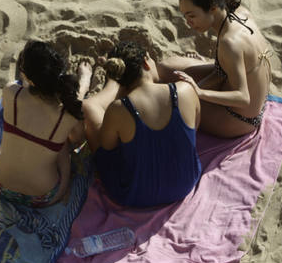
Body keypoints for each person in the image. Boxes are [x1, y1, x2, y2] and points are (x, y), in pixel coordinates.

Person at [82, 41, 201, 208]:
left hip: (134, 196)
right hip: (184, 184)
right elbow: (194, 128)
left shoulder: (118, 109)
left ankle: (112, 85)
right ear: (146, 61)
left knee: (89, 109)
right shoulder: (185, 90)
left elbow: (108, 149)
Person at [158, 0, 273, 138]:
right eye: (185, 17)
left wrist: (199, 91)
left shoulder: (229, 43)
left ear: (212, 8)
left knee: (171, 101)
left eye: (191, 16)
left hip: (239, 119)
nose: (188, 23)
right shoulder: (241, 13)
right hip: (250, 97)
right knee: (165, 68)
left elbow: (243, 98)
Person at [0, 40, 88, 208]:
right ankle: (64, 181)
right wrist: (84, 81)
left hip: (0, 185)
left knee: (11, 138)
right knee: (62, 143)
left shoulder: (11, 92)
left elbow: (27, 91)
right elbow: (78, 139)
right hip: (43, 197)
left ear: (29, 78)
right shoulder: (66, 115)